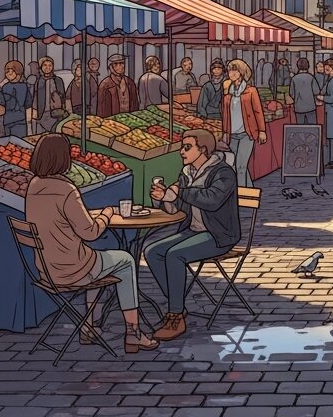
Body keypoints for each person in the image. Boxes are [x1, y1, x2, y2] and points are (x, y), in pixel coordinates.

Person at [24, 134, 160, 353]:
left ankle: (90, 325)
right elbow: (90, 232)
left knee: (98, 258)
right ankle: (133, 332)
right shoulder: (66, 190)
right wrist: (106, 214)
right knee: (124, 261)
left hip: (46, 269)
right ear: (63, 159)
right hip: (72, 270)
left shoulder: (33, 185)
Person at [145, 128, 241, 342]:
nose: (181, 151)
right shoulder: (187, 173)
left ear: (203, 150)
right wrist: (165, 198)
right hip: (193, 230)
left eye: (187, 147)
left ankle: (176, 315)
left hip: (219, 235)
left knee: (174, 255)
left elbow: (212, 199)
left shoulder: (223, 172)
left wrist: (180, 192)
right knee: (152, 251)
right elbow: (179, 209)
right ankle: (176, 302)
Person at [221, 58, 267, 188]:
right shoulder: (227, 91)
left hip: (247, 134)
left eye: (235, 71)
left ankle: (240, 196)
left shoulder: (251, 91)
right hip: (233, 134)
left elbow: (258, 111)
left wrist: (262, 130)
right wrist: (225, 132)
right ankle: (250, 193)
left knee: (241, 166)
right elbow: (225, 114)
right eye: (230, 71)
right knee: (238, 166)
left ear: (241, 72)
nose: (232, 74)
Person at [31, 57, 69, 133]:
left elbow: (63, 97)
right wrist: (34, 110)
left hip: (55, 112)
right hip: (42, 112)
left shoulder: (58, 80)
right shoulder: (38, 81)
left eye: (50, 65)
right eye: (45, 65)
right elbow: (35, 96)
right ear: (41, 67)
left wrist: (64, 109)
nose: (47, 67)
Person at [0, 60, 32, 136]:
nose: (10, 73)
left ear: (18, 72)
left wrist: (28, 120)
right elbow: (1, 103)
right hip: (7, 120)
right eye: (8, 71)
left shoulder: (24, 86)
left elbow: (28, 104)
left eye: (12, 71)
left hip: (20, 121)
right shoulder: (4, 87)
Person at [289, 58, 318, 125]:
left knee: (300, 128)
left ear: (298, 66)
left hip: (299, 107)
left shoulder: (294, 78)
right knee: (312, 127)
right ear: (308, 66)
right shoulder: (311, 77)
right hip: (310, 106)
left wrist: (297, 98)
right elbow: (316, 91)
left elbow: (291, 93)